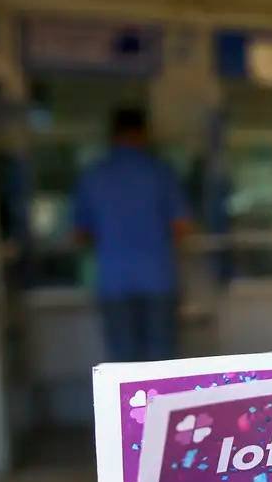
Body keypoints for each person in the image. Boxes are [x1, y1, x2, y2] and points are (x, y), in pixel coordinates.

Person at [74, 107, 190, 362]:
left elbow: (80, 235)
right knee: (162, 360)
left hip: (113, 281)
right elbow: (181, 227)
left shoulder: (94, 176)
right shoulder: (160, 172)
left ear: (112, 135)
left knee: (122, 363)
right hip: (158, 278)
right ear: (143, 134)